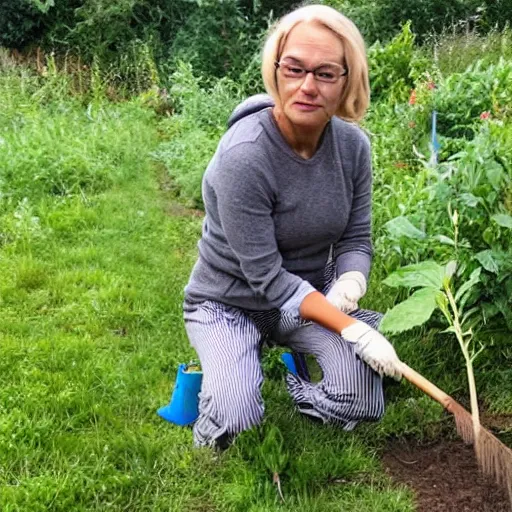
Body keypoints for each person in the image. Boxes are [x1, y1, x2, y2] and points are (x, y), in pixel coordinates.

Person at [183, 4, 402, 449]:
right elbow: (266, 279)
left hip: (306, 296)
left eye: (325, 73)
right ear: (276, 69)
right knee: (236, 424)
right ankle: (224, 385)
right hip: (228, 301)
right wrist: (352, 329)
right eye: (295, 68)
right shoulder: (245, 156)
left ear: (346, 81)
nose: (307, 86)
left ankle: (292, 375)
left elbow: (356, 238)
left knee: (362, 402)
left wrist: (350, 282)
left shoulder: (354, 148)